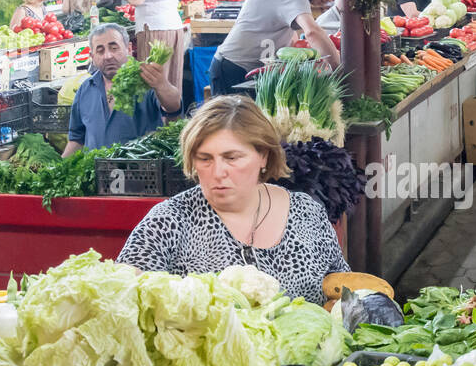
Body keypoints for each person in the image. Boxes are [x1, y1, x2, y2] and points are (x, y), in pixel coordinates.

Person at [116, 96, 349, 302]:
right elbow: (123, 296)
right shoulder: (168, 220)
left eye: (232, 158)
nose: (218, 172)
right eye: (205, 159)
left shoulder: (307, 213)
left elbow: (345, 293)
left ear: (264, 156)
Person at [209, 0, 341, 96]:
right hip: (233, 69)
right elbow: (312, 32)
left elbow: (290, 33)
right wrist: (338, 70)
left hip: (253, 70)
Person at [63, 23, 181, 156]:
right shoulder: (85, 89)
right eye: (100, 51)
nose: (108, 56)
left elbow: (174, 108)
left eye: (114, 48)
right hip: (97, 172)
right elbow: (76, 140)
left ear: (129, 49)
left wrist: (162, 85)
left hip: (140, 170)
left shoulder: (145, 81)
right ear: (92, 57)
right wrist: (58, 171)